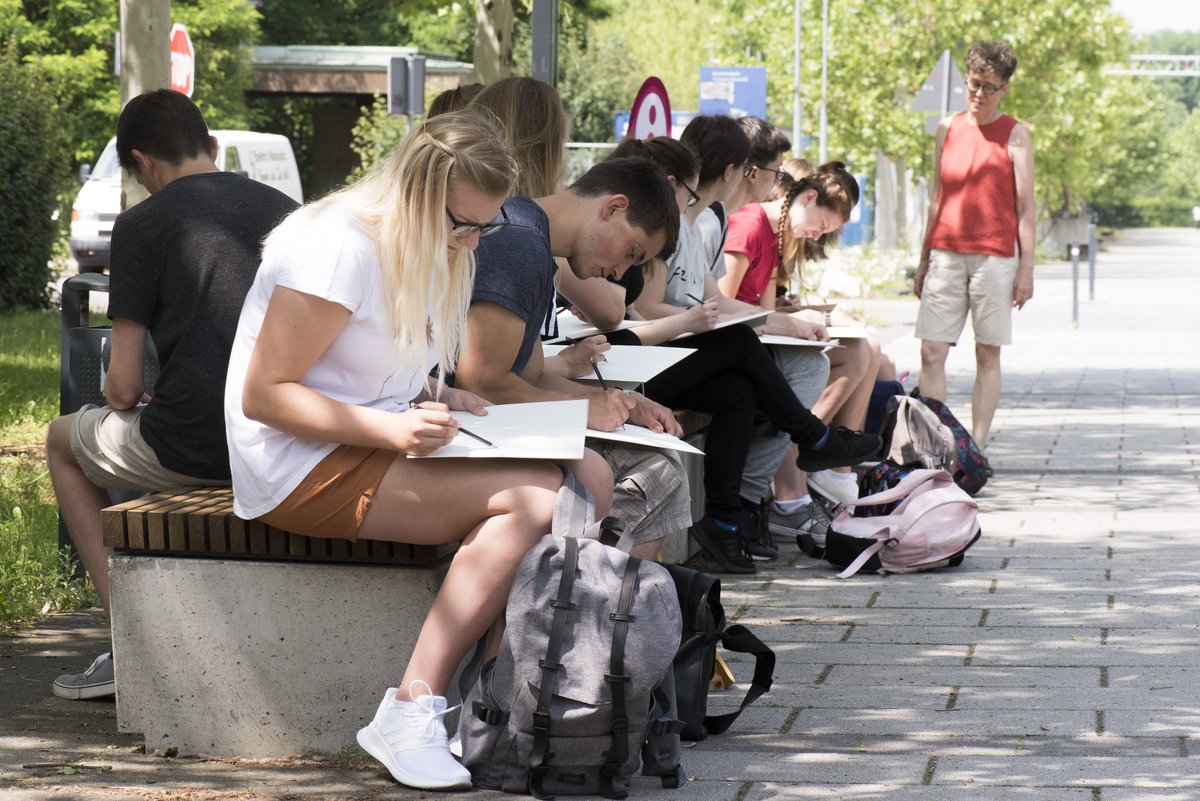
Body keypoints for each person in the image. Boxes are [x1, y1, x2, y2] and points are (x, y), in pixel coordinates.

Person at [224, 110, 563, 791]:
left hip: (364, 437)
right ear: (415, 188)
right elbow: (266, 394)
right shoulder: (336, 245)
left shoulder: (426, 242)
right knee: (533, 499)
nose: (469, 241)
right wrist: (391, 430)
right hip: (296, 462)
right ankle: (412, 707)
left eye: (484, 226)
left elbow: (376, 363)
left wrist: (438, 394)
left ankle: (497, 711)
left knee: (572, 473)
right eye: (460, 223)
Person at [43, 90, 298, 701]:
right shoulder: (291, 210)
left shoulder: (142, 225)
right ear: (211, 146)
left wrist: (122, 397)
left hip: (198, 448)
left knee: (61, 441)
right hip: (284, 438)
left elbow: (124, 387)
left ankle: (129, 640)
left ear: (142, 163)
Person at [455, 147, 690, 560]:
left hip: (476, 423)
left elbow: (524, 376)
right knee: (656, 475)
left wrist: (625, 404)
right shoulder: (520, 245)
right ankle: (592, 610)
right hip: (457, 431)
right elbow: (481, 381)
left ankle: (614, 612)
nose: (620, 273)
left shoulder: (531, 235)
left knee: (659, 464)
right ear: (614, 208)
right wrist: (582, 410)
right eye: (632, 253)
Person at [914, 41, 1035, 473]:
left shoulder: (1016, 134)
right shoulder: (947, 128)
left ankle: (975, 450)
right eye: (972, 84)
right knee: (931, 351)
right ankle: (933, 449)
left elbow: (1025, 209)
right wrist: (923, 258)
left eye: (988, 86)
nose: (978, 93)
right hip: (946, 252)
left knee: (987, 354)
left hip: (995, 258)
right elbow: (936, 197)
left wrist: (1026, 269)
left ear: (1004, 89)